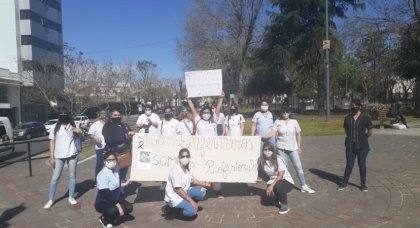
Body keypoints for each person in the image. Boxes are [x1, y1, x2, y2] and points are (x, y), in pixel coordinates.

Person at [263, 108, 315, 194]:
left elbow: (298, 134)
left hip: (293, 148)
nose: (285, 113)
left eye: (287, 111)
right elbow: (273, 132)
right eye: (283, 111)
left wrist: (299, 146)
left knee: (298, 167)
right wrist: (264, 137)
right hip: (281, 148)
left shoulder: (294, 122)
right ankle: (283, 186)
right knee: (284, 169)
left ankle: (303, 185)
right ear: (281, 113)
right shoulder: (277, 122)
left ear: (289, 112)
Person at [44, 112, 84, 209]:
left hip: (72, 154)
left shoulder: (74, 125)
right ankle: (51, 199)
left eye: (65, 114)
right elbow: (52, 142)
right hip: (59, 155)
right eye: (61, 114)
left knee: (72, 176)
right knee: (55, 178)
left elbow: (82, 139)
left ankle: (70, 197)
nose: (63, 115)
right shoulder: (55, 127)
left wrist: (79, 132)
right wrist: (51, 158)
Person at [187, 91, 224, 197]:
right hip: (201, 150)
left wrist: (221, 98)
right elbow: (193, 109)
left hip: (213, 150)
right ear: (201, 113)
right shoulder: (198, 120)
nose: (206, 114)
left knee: (215, 169)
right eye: (204, 112)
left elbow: (218, 108)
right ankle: (201, 188)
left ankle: (217, 190)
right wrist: (189, 99)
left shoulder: (214, 120)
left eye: (208, 112)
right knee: (201, 168)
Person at [163, 148, 211, 220]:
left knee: (202, 191)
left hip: (184, 191)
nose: (185, 158)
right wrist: (192, 202)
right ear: (179, 158)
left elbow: (193, 180)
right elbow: (178, 190)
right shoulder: (175, 171)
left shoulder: (189, 167)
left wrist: (204, 183)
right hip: (174, 196)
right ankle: (175, 211)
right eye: (183, 156)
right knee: (192, 211)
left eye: (187, 156)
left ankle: (186, 203)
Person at [338, 99, 373, 192]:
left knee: (361, 165)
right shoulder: (347, 118)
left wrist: (364, 138)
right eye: (352, 106)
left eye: (356, 105)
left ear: (360, 106)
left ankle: (363, 184)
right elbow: (346, 130)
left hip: (363, 146)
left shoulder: (365, 117)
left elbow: (370, 131)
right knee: (349, 164)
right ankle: (344, 183)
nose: (354, 107)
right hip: (350, 146)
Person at [95, 151, 133, 227]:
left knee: (129, 207)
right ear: (104, 161)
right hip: (103, 201)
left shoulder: (116, 171)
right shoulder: (102, 174)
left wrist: (125, 184)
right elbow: (106, 193)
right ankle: (103, 218)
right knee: (113, 210)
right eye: (108, 160)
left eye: (113, 160)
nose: (111, 162)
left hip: (116, 198)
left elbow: (116, 185)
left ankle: (112, 215)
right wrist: (119, 207)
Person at [256, 142, 294, 214]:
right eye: (265, 149)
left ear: (273, 150)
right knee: (269, 197)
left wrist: (271, 185)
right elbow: (263, 173)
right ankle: (277, 199)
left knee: (278, 186)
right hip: (273, 180)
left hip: (286, 180)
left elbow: (281, 175)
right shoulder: (261, 161)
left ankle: (284, 205)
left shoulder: (278, 159)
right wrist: (260, 178)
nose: (267, 151)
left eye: (269, 149)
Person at [102, 110, 136, 181]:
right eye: (115, 115)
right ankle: (115, 189)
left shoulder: (124, 125)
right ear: (111, 116)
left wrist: (131, 135)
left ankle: (121, 188)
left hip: (126, 153)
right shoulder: (107, 126)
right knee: (114, 174)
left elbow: (130, 135)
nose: (117, 116)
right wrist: (125, 135)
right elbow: (109, 139)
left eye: (119, 115)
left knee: (124, 172)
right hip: (114, 154)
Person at [89, 110, 108, 185]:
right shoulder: (95, 124)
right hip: (100, 147)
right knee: (100, 164)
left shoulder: (108, 123)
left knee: (109, 164)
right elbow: (90, 134)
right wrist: (95, 137)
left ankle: (107, 179)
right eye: (102, 114)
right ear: (99, 115)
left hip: (109, 146)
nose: (103, 116)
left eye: (105, 114)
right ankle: (97, 180)